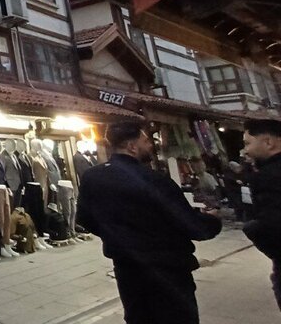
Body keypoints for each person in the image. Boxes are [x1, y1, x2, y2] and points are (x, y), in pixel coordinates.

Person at [77, 122, 221, 323]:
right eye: (145, 141)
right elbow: (191, 225)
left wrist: (116, 235)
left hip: (127, 269)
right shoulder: (153, 180)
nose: (150, 145)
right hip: (167, 270)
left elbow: (84, 218)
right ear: (132, 146)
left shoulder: (92, 178)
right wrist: (212, 220)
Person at [241, 119, 281, 311]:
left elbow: (272, 225)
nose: (245, 151)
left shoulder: (268, 176)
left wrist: (252, 229)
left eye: (248, 143)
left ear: (268, 142)